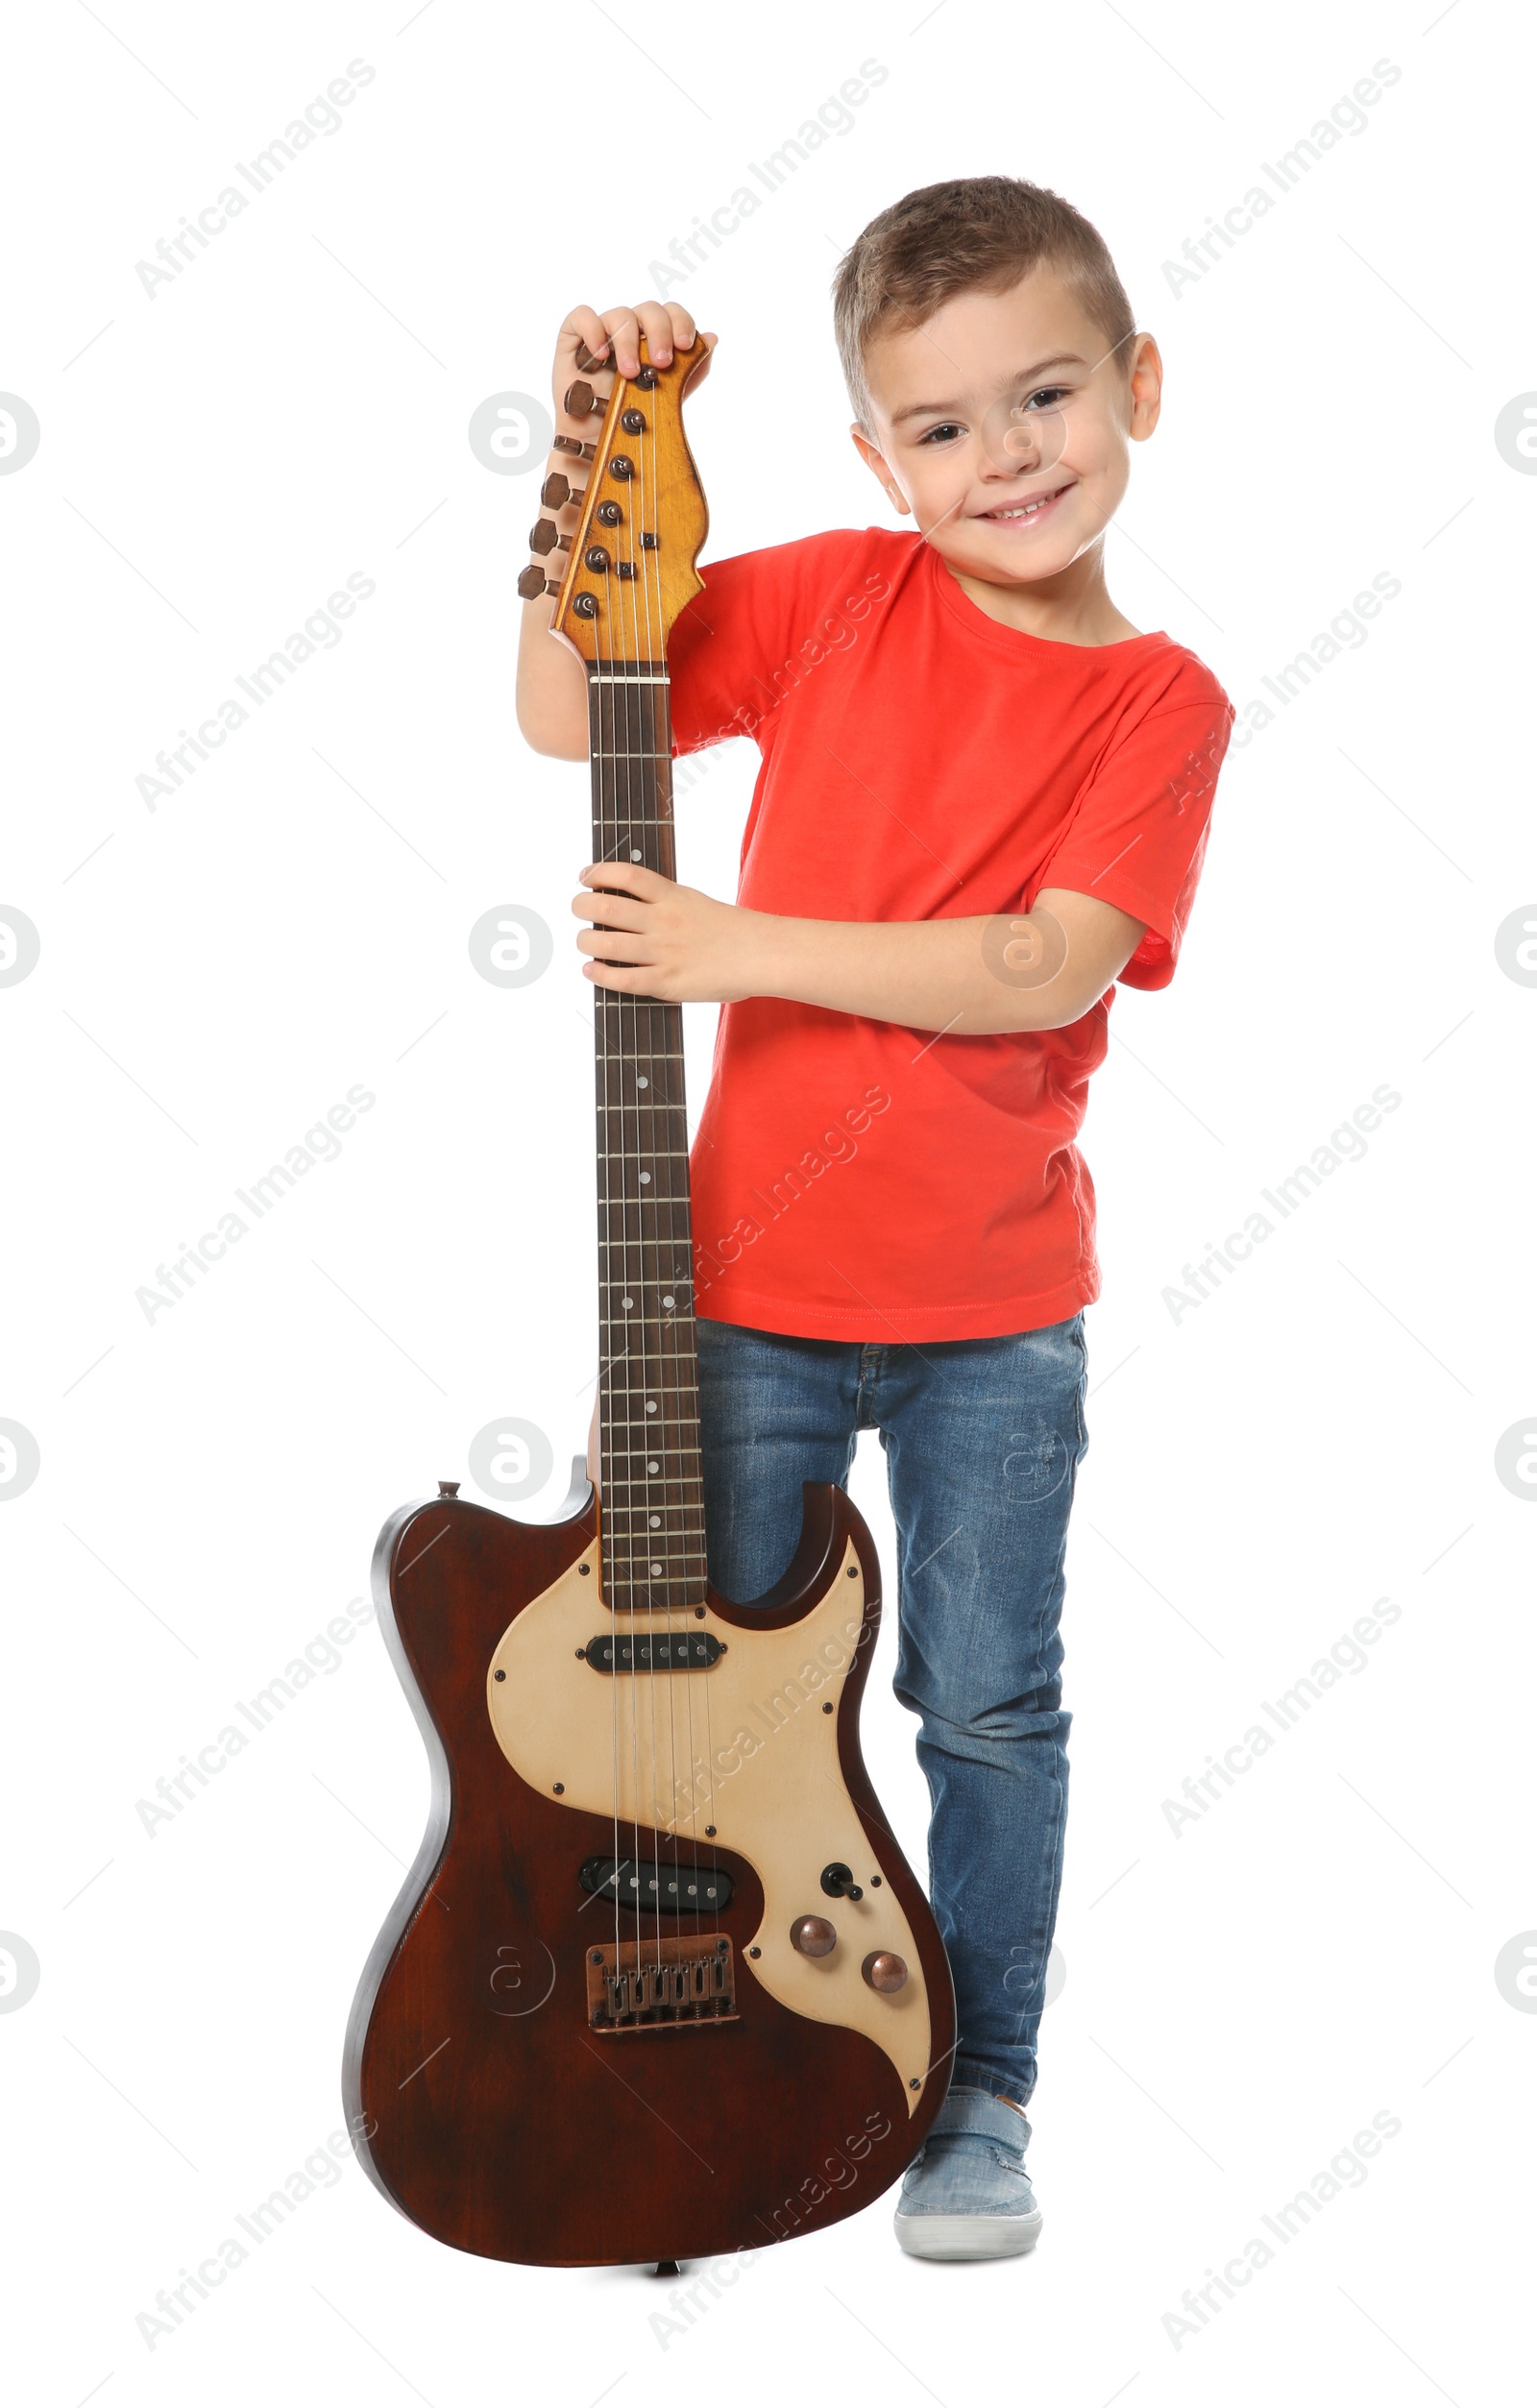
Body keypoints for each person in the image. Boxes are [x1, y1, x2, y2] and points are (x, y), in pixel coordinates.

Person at [517, 174, 1232, 2263]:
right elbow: (572, 708)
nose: (1001, 455)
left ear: (1138, 388)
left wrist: (736, 949)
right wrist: (585, 458)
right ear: (869, 457)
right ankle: (692, 2080)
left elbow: (1043, 965)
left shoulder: (1152, 702)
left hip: (992, 1320)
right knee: (696, 1713)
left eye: (1043, 396)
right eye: (938, 426)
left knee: (982, 1702)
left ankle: (978, 2093)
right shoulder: (832, 597)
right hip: (732, 1300)